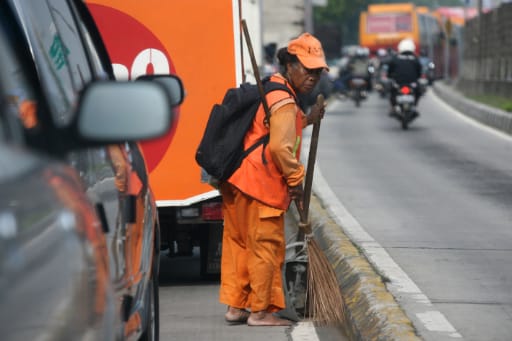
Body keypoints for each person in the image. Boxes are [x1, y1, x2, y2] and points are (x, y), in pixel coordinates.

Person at [219, 32, 328, 327]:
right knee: (266, 248)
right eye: (307, 69)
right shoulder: (283, 101)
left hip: (238, 182)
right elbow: (280, 146)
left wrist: (307, 119)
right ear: (290, 65)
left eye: (317, 71)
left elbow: (271, 131)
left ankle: (237, 307)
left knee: (241, 245)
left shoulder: (272, 91)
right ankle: (260, 311)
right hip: (260, 185)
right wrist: (295, 179)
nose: (313, 77)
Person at [387, 38, 422, 113]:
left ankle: (394, 107)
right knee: (418, 91)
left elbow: (390, 71)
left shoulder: (395, 59)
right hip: (412, 84)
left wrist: (389, 76)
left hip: (398, 83)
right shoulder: (415, 59)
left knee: (391, 91)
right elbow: (419, 72)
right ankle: (415, 106)